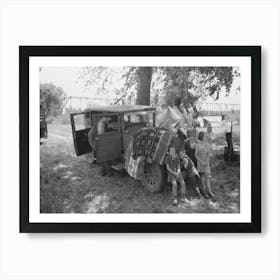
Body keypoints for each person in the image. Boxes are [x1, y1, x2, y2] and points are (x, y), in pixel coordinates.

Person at [195, 131, 215, 198]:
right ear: (201, 137)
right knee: (202, 179)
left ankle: (210, 191)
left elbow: (209, 154)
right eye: (204, 136)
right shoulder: (197, 145)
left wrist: (206, 162)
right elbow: (196, 155)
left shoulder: (207, 144)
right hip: (200, 164)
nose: (205, 137)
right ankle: (204, 192)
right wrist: (201, 162)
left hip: (206, 163)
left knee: (208, 178)